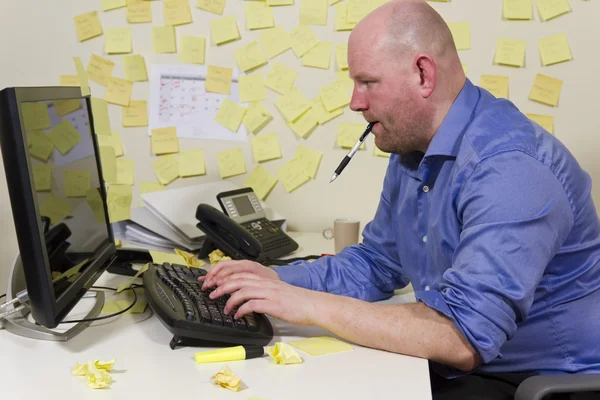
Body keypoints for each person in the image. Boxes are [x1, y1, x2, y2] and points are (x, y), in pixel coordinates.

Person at [200, 0, 600, 398]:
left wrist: (307, 304)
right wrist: (272, 280)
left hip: (534, 379)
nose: (355, 102)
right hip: (469, 362)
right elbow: (376, 264)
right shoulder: (414, 150)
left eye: (367, 82)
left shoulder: (511, 168)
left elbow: (463, 336)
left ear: (423, 74)